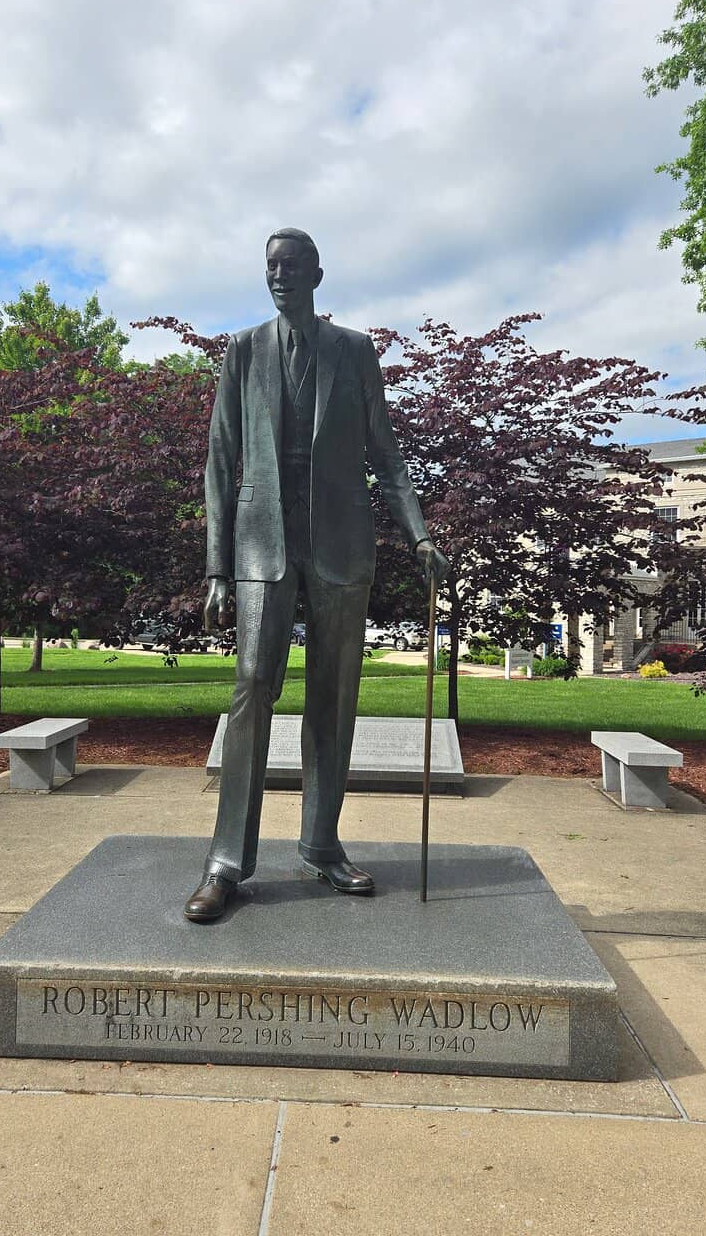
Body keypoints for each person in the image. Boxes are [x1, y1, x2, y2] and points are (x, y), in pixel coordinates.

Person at [184, 227, 449, 921]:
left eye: (293, 266)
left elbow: (386, 454)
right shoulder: (243, 349)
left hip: (339, 541)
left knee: (333, 696)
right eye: (271, 266)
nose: (280, 276)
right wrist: (216, 567)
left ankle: (322, 845)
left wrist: (419, 535)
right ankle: (226, 862)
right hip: (261, 544)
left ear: (317, 275)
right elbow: (220, 460)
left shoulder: (353, 351)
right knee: (252, 684)